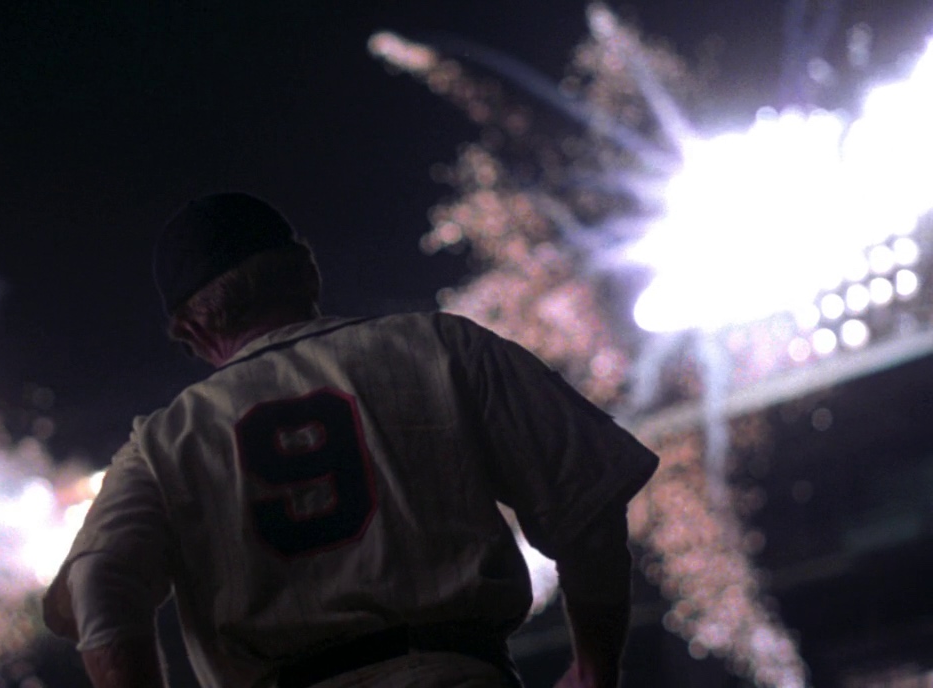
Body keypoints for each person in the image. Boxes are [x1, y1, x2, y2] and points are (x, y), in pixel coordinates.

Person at [42, 192, 659, 688]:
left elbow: (99, 585)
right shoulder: (443, 347)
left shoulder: (163, 443)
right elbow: (587, 507)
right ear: (307, 269)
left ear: (189, 328)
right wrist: (594, 667)